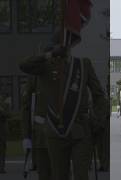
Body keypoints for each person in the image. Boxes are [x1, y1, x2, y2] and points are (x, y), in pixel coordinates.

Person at [19, 31, 108, 180]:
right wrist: (48, 55)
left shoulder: (82, 65)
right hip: (55, 131)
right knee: (59, 175)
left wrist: (97, 122)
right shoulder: (44, 68)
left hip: (81, 130)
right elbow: (23, 65)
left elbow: (99, 96)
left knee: (81, 175)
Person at [21, 76, 52, 180]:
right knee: (43, 173)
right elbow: (26, 108)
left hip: (60, 135)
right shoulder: (34, 78)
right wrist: (26, 136)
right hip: (41, 136)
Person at [0, 95, 10, 174]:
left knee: (3, 150)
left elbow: (8, 114)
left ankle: (2, 168)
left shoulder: (5, 106)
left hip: (2, 132)